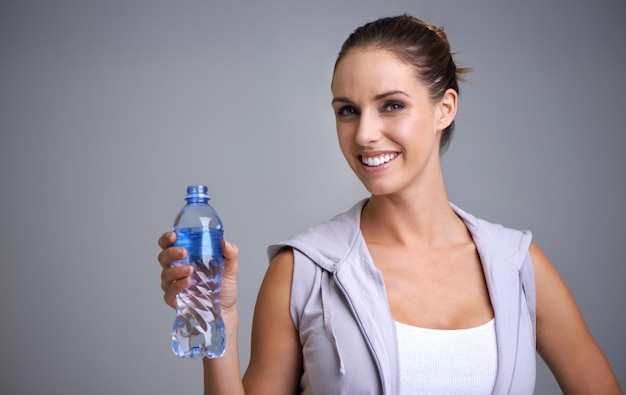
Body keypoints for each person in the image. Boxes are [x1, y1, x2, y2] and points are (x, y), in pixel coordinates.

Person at [158, 14, 622, 394]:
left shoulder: (518, 266)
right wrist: (217, 323)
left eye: (392, 105)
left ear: (445, 108)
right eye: (347, 110)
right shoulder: (304, 271)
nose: (364, 134)